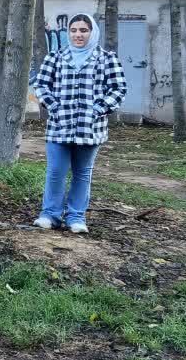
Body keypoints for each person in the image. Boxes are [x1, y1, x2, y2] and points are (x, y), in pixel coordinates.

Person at [30, 13, 128, 233]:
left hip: (90, 128)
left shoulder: (107, 58)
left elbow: (119, 89)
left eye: (84, 30)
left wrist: (98, 109)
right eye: (73, 30)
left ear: (92, 32)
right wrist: (54, 107)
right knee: (56, 171)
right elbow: (41, 85)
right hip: (59, 126)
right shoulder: (55, 57)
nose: (78, 35)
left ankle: (76, 217)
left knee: (82, 173)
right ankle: (50, 215)